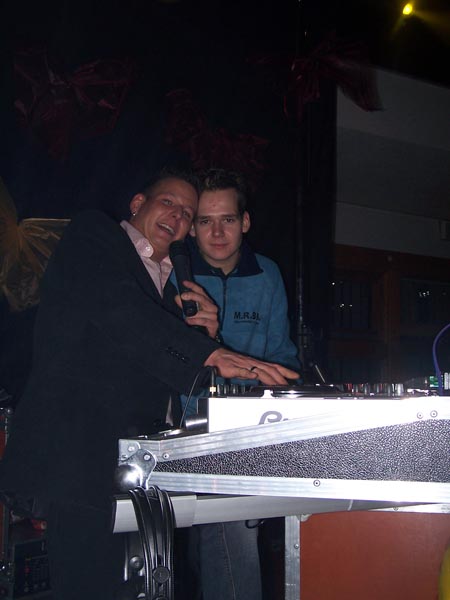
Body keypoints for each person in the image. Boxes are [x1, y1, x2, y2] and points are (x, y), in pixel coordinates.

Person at [0, 168, 298, 600]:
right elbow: (118, 308)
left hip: (139, 470)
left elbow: (154, 358)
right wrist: (209, 354)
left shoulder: (168, 285)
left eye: (187, 213)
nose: (178, 216)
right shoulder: (94, 234)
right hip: (81, 461)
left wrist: (206, 336)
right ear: (138, 204)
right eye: (169, 203)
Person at [179, 168, 300, 600]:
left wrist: (277, 380)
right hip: (181, 427)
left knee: (232, 537)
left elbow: (282, 353)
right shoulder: (174, 272)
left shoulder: (268, 274)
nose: (216, 233)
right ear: (192, 227)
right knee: (199, 553)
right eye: (205, 221)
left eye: (227, 219)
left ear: (244, 222)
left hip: (245, 431)